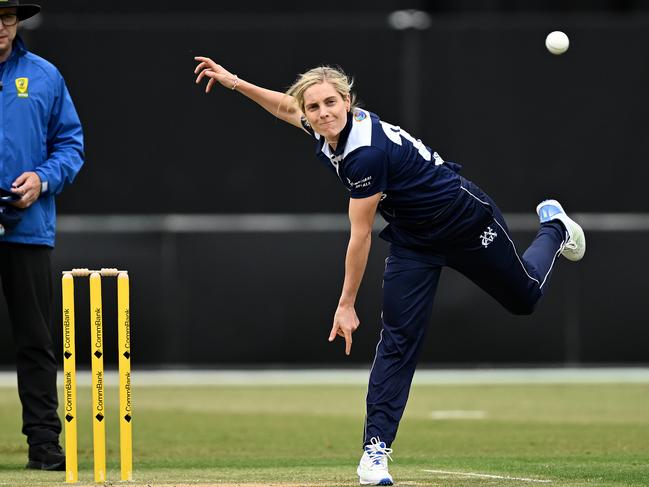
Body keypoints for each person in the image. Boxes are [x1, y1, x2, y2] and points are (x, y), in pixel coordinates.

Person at [193, 57, 585, 486]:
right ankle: (374, 452)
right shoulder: (327, 126)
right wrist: (234, 82)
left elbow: (359, 236)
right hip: (415, 240)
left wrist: (346, 304)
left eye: (330, 104)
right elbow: (286, 108)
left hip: (464, 221)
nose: (322, 114)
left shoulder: (365, 154)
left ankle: (555, 227)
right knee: (398, 340)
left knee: (524, 299)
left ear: (348, 101)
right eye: (314, 108)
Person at [0, 0, 84, 471]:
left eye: (8, 17)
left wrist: (42, 178)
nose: (1, 27)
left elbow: (71, 145)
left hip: (27, 230)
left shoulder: (44, 75)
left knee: (34, 340)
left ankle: (44, 446)